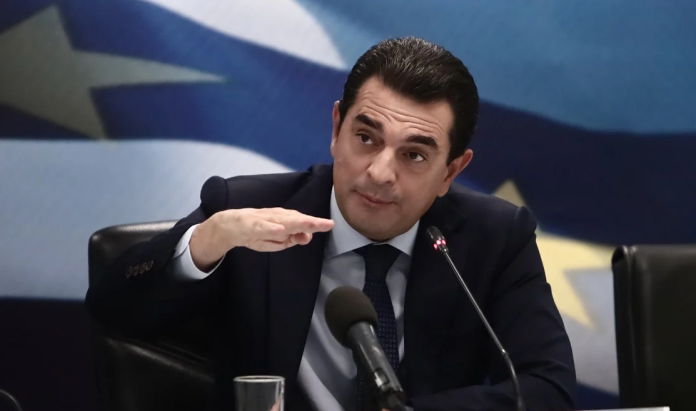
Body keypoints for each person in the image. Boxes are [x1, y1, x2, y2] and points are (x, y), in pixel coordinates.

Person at [86, 37, 576, 411]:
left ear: (450, 171)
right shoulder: (247, 210)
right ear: (337, 128)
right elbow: (113, 311)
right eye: (366, 137)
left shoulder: (493, 237)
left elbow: (547, 388)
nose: (380, 173)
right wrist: (206, 241)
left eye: (414, 154)